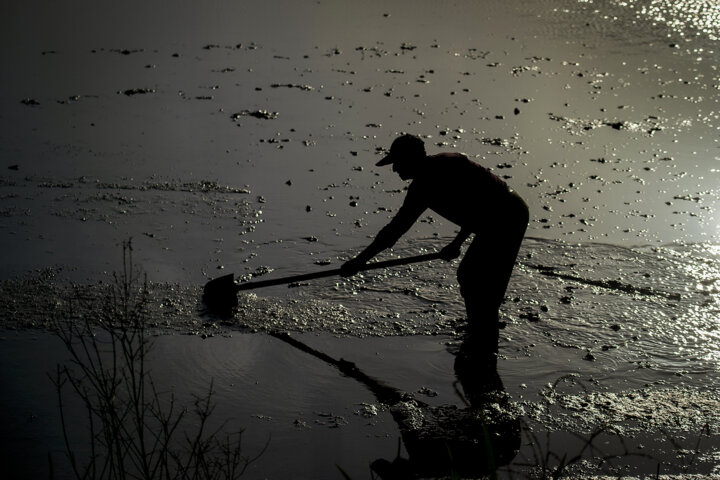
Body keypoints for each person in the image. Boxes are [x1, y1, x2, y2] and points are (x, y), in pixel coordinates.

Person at [341, 134, 529, 355]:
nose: (394, 170)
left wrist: (457, 242)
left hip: (508, 215)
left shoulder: (450, 165)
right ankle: (480, 332)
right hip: (489, 222)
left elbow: (481, 203)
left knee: (473, 278)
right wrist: (359, 261)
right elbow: (395, 230)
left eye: (398, 163)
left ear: (412, 159)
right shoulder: (420, 190)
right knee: (471, 278)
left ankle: (483, 335)